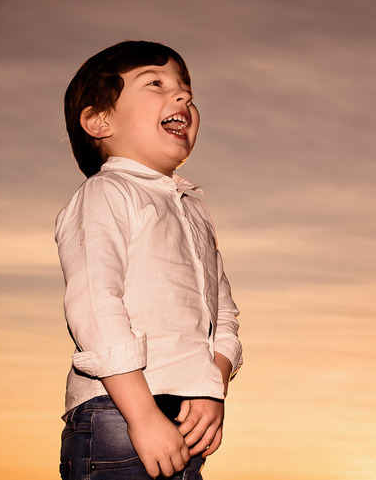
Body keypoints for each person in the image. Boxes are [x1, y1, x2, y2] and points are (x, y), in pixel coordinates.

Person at [55, 41, 243, 480]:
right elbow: (95, 306)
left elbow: (223, 313)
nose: (183, 96)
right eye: (155, 83)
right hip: (117, 410)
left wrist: (212, 387)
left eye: (186, 89)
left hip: (186, 411)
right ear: (99, 121)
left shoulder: (194, 210)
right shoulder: (107, 192)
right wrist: (141, 414)